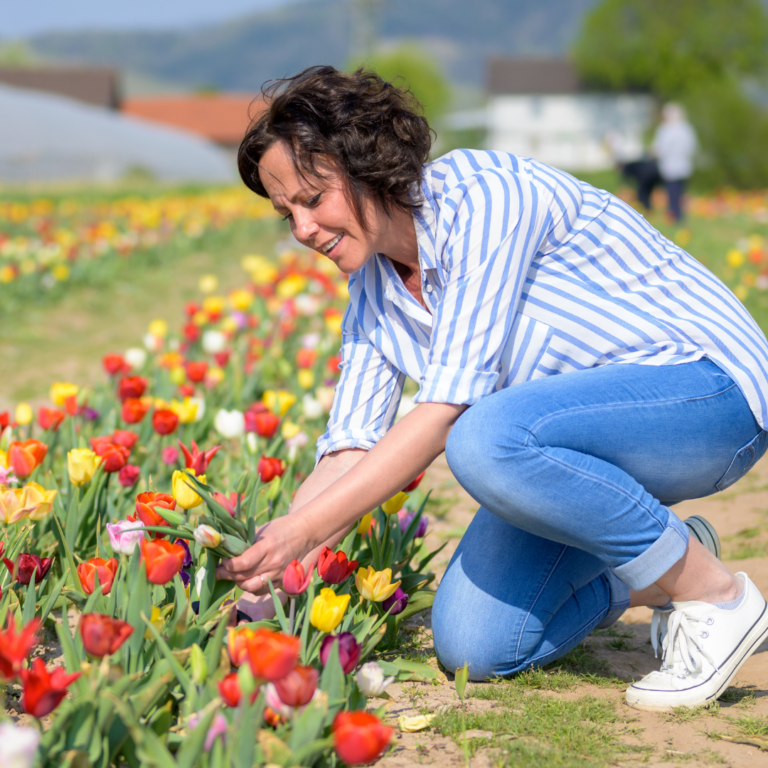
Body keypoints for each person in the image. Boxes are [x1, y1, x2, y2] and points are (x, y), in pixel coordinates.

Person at [218, 66, 768, 712]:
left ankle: (717, 597)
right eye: (288, 213)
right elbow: (348, 451)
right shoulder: (372, 292)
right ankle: (664, 568)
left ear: (367, 162)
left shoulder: (482, 197)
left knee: (480, 435)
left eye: (313, 200)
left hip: (708, 394)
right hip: (575, 450)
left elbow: (446, 409)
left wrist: (303, 535)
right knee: (475, 644)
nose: (303, 230)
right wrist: (268, 581)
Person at [652, 103, 697, 223]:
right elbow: (692, 147)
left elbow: (660, 149)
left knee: (672, 194)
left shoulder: (665, 130)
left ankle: (675, 216)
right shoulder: (686, 128)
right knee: (681, 192)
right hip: (684, 167)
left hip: (669, 167)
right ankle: (680, 215)